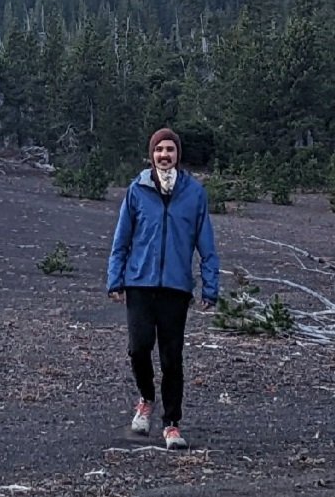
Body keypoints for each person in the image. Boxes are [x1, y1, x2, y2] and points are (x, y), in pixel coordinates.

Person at [106, 127, 220, 450]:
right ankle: (145, 399)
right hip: (139, 283)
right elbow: (121, 240)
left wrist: (209, 287)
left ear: (177, 155)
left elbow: (206, 245)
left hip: (175, 288)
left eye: (170, 149)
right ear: (151, 154)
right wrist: (115, 279)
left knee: (172, 358)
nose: (164, 155)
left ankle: (171, 424)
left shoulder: (194, 194)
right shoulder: (137, 190)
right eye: (159, 150)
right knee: (138, 348)